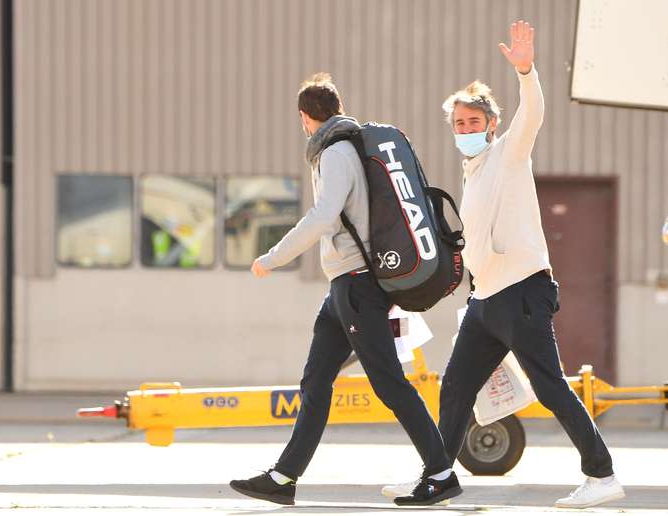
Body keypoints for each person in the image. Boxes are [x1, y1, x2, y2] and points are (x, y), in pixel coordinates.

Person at [385, 20, 625, 509]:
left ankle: (602, 476)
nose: (466, 130)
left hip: (521, 292)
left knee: (549, 386)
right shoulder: (472, 173)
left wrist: (525, 71)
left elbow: (533, 114)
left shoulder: (508, 155)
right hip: (486, 300)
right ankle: (439, 476)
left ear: (491, 125)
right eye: (459, 125)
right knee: (455, 386)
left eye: (474, 123)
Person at [229, 73, 462, 507]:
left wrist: (273, 256)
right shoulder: (344, 144)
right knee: (316, 380)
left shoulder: (335, 151)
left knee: (388, 382)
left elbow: (324, 216)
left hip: (358, 286)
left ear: (304, 117)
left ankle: (442, 471)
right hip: (343, 288)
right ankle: (284, 477)